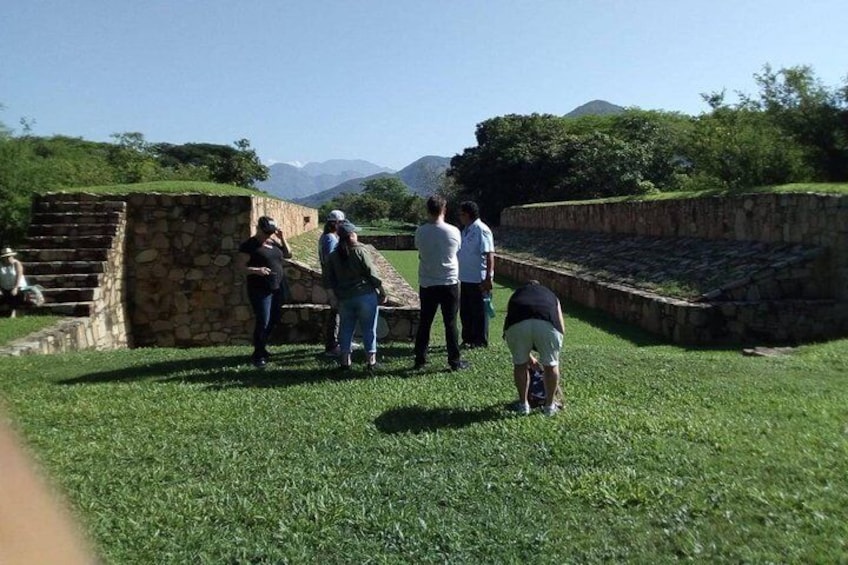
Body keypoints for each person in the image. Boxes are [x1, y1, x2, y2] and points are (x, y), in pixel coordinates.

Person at [413, 196, 469, 371]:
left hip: (428, 282)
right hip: (449, 281)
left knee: (425, 322)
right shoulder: (453, 231)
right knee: (450, 323)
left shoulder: (420, 232)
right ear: (444, 209)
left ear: (428, 210)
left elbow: (420, 252)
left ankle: (420, 358)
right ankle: (454, 361)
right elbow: (456, 251)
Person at [323, 220, 387, 371]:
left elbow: (327, 279)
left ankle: (345, 362)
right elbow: (372, 273)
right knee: (369, 329)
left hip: (345, 298)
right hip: (365, 295)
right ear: (352, 235)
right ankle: (371, 362)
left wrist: (332, 297)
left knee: (345, 329)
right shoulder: (360, 251)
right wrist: (382, 291)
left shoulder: (333, 256)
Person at [503, 280, 565, 416]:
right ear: (540, 286)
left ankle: (523, 405)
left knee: (520, 365)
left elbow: (509, 320)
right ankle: (549, 406)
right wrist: (553, 351)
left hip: (518, 324)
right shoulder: (551, 295)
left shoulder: (516, 295)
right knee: (551, 365)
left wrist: (528, 359)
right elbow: (561, 324)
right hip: (547, 324)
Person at [239, 216, 292, 368]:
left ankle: (262, 347)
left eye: (271, 233)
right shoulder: (249, 245)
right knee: (263, 320)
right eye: (267, 232)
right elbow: (240, 267)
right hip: (260, 289)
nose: (269, 235)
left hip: (277, 286)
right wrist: (257, 270)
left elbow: (288, 254)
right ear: (259, 229)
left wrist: (282, 238)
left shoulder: (273, 242)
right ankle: (258, 354)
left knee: (274, 319)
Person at [457, 201, 495, 349]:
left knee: (479, 311)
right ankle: (468, 338)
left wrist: (488, 278)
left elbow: (489, 254)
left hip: (478, 278)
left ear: (467, 214)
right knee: (466, 311)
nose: (460, 217)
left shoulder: (481, 229)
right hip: (464, 277)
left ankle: (480, 341)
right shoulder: (465, 230)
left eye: (461, 214)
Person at [318, 209, 346, 356]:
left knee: (339, 312)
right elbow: (330, 260)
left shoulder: (327, 237)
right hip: (333, 279)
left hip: (333, 278)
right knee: (335, 312)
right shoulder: (329, 238)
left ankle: (340, 340)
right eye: (341, 223)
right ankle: (332, 345)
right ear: (335, 223)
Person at [0, 247, 27, 318]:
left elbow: (19, 276)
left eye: (9, 256)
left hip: (18, 286)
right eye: (6, 257)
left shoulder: (16, 264)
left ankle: (14, 312)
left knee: (15, 294)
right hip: (5, 287)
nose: (8, 258)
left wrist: (15, 288)